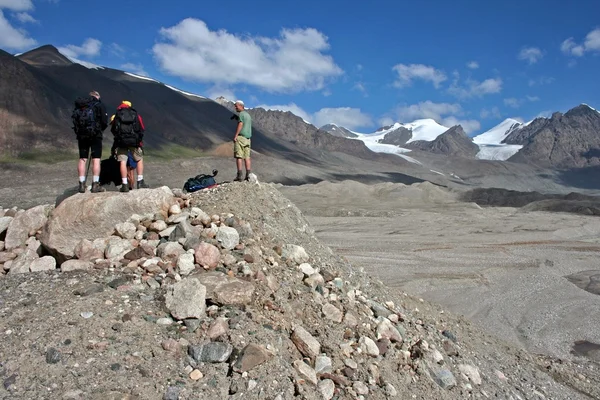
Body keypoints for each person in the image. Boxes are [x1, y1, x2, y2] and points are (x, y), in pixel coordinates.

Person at [71, 90, 108, 193]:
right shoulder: (99, 105)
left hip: (82, 136)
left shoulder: (81, 106)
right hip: (96, 135)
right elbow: (104, 122)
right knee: (96, 159)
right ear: (97, 96)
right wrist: (99, 130)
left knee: (83, 158)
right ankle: (95, 184)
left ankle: (81, 184)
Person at [110, 100, 149, 192]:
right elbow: (142, 128)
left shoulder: (117, 115)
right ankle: (140, 182)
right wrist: (138, 139)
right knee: (139, 159)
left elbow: (113, 129)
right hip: (134, 142)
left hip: (121, 142)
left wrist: (119, 139)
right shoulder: (135, 115)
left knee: (123, 162)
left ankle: (124, 184)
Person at [232, 100, 252, 181]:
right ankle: (248, 175)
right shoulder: (248, 115)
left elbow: (241, 124)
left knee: (239, 156)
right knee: (247, 157)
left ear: (241, 106)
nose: (235, 107)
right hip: (248, 139)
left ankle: (239, 175)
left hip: (241, 138)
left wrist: (236, 135)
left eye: (236, 106)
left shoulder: (241, 114)